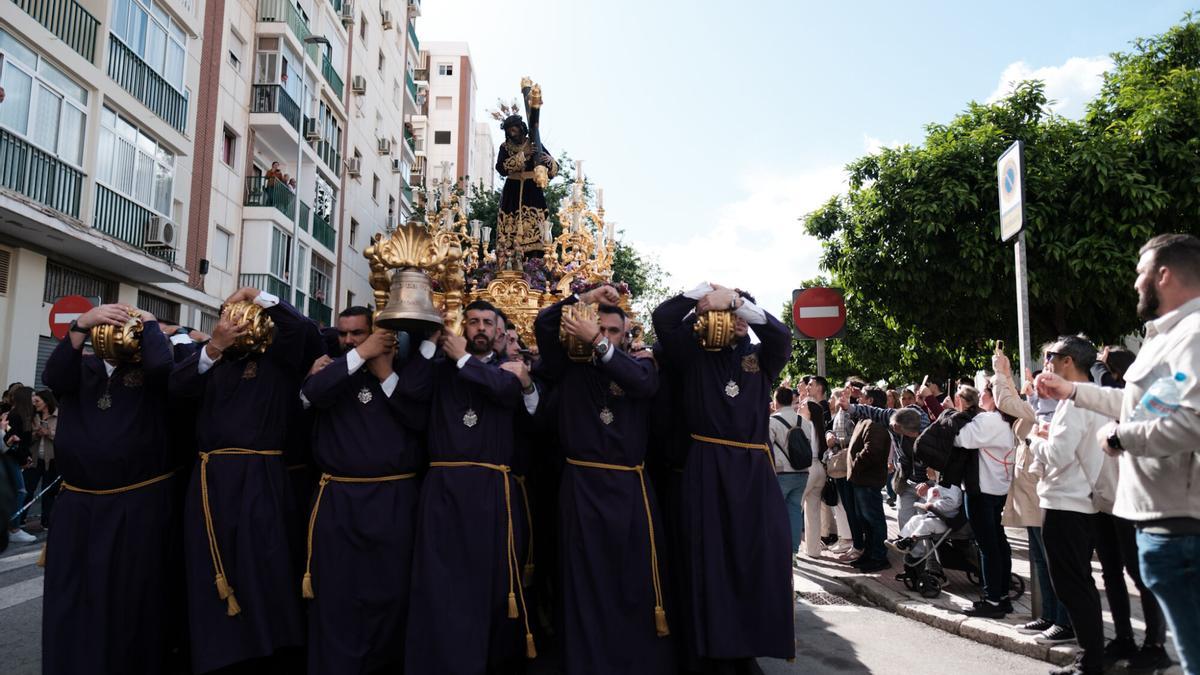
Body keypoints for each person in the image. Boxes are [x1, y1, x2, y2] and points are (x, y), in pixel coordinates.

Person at [1037, 233, 1200, 674]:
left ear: (1164, 275)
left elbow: (1192, 422)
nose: (1135, 284)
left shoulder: (1193, 334)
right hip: (1160, 520)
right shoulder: (1169, 337)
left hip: (1180, 523)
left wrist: (1121, 438)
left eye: (1140, 272)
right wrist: (1072, 391)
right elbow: (1142, 405)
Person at [652, 282, 794, 671]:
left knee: (756, 557)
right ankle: (708, 646)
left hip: (752, 472)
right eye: (724, 315)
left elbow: (782, 335)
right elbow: (663, 319)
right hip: (706, 467)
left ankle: (746, 645)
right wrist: (701, 297)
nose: (730, 321)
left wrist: (737, 302)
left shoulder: (761, 358)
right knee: (708, 559)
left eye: (737, 316)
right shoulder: (692, 357)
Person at [170, 287, 313, 674]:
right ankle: (216, 648)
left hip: (260, 477)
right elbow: (178, 387)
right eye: (229, 318)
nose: (237, 325)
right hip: (210, 480)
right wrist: (214, 347)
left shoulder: (279, 363)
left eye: (243, 317)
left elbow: (300, 329)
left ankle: (268, 645)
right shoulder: (212, 362)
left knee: (262, 559)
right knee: (210, 563)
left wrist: (257, 295)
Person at [535, 286, 674, 674]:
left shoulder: (641, 368)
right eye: (602, 328)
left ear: (626, 337)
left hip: (630, 491)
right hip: (581, 487)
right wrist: (587, 295)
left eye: (615, 331)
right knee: (582, 580)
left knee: (632, 580)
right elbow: (544, 323)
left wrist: (598, 343)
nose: (607, 336)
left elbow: (643, 386)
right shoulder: (569, 367)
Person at [402, 300, 541, 674]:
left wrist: (463, 359)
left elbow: (503, 391)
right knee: (440, 580)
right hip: (443, 492)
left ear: (499, 331)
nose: (479, 328)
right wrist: (432, 341)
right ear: (462, 327)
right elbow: (409, 391)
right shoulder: (438, 368)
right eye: (472, 321)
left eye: (487, 323)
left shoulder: (508, 370)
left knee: (489, 584)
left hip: (490, 495)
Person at [40, 303, 177, 674]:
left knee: (127, 596)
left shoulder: (149, 371)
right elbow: (53, 376)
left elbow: (164, 368)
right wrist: (82, 323)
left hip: (135, 504)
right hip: (79, 506)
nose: (113, 336)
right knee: (71, 594)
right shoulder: (81, 369)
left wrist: (148, 323)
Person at [300, 327, 426, 674]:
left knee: (391, 591)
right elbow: (312, 395)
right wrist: (360, 355)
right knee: (336, 592)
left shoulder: (407, 376)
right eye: (345, 334)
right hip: (339, 502)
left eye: (361, 334)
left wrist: (382, 369)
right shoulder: (335, 372)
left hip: (393, 501)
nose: (351, 340)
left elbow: (416, 417)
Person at [1027, 335, 1110, 675]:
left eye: (1052, 356)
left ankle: (1090, 660)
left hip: (1066, 502)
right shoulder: (1088, 398)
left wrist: (1035, 440)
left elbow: (1059, 455)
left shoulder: (1076, 402)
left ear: (1068, 362)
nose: (1046, 362)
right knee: (1079, 582)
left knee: (1071, 584)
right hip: (1078, 500)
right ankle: (1091, 657)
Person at [991, 349, 1074, 644]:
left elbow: (1006, 402)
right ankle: (1050, 616)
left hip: (1044, 495)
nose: (1037, 385)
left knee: (1054, 563)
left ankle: (1064, 622)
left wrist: (1002, 372)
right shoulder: (1041, 404)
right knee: (1041, 561)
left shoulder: (1053, 405)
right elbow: (1015, 403)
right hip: (1033, 494)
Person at [954, 381, 1016, 618]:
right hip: (1000, 488)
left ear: (996, 397)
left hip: (980, 489)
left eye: (985, 393)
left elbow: (961, 439)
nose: (980, 396)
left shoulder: (988, 419)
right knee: (999, 543)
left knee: (987, 546)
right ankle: (1002, 596)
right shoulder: (1009, 421)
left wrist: (959, 414)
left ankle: (992, 599)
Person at [768, 386, 816, 563]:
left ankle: (776, 550)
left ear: (776, 401)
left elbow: (767, 448)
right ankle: (793, 552)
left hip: (781, 473)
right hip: (803, 472)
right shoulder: (805, 421)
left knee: (774, 512)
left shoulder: (772, 421)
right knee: (795, 511)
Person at [21, 389, 59, 531]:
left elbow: (64, 437)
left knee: (49, 492)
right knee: (27, 489)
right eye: (33, 401)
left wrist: (49, 433)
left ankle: (46, 522)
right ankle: (20, 520)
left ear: (46, 401)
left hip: (53, 460)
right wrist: (36, 434)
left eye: (37, 401)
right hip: (34, 459)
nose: (35, 404)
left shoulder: (59, 416)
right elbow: (26, 439)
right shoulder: (32, 416)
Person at [2, 386, 36, 543]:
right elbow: (11, 440)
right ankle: (13, 529)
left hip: (15, 457)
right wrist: (24, 458)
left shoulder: (24, 416)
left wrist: (26, 456)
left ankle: (12, 527)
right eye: (33, 396)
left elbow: (24, 443)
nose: (35, 399)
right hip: (10, 457)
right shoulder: (15, 416)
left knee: (17, 491)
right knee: (20, 491)